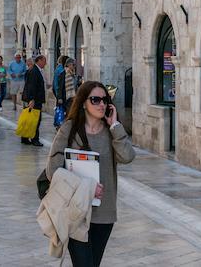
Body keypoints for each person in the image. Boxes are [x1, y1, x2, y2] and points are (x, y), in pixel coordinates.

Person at [47, 80, 135, 266]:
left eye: (104, 100)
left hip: (104, 213)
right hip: (75, 211)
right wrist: (86, 188)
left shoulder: (111, 132)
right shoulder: (69, 130)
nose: (101, 104)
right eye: (95, 100)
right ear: (84, 103)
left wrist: (115, 125)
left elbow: (127, 156)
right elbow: (52, 171)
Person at [21, 55, 48, 146]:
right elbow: (31, 86)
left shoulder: (35, 70)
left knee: (30, 119)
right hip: (34, 100)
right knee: (35, 119)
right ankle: (34, 139)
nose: (45, 63)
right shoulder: (34, 71)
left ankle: (24, 138)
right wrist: (31, 99)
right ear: (39, 61)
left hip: (34, 99)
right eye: (44, 61)